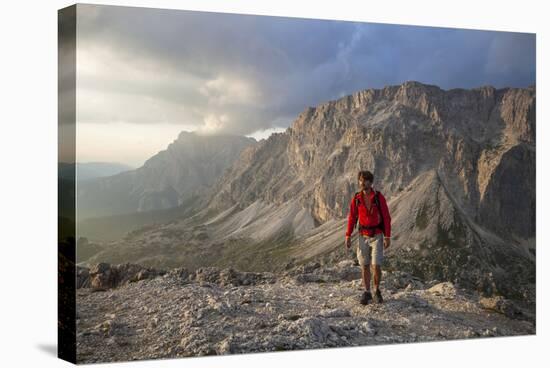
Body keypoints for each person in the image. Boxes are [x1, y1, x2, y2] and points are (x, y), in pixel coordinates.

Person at [345, 170, 391, 305]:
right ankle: (367, 292)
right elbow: (352, 217)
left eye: (365, 180)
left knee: (376, 265)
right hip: (362, 235)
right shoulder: (357, 198)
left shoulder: (378, 197)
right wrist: (348, 235)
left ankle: (377, 290)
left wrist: (387, 236)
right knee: (364, 265)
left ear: (371, 182)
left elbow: (386, 217)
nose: (362, 183)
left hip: (377, 235)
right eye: (360, 180)